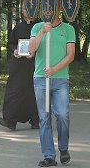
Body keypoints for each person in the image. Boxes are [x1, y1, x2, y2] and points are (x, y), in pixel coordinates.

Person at [29, 14, 75, 167]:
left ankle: (63, 148)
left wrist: (54, 69)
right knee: (44, 117)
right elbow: (31, 51)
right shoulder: (37, 27)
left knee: (62, 115)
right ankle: (49, 156)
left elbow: (71, 55)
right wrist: (42, 31)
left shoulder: (68, 29)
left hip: (60, 79)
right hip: (41, 79)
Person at [0, 6, 39, 131]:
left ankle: (36, 120)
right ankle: (10, 120)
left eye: (29, 10)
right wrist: (15, 50)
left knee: (33, 92)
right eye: (24, 10)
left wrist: (34, 53)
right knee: (14, 91)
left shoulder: (39, 27)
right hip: (19, 65)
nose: (26, 12)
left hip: (35, 64)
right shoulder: (18, 27)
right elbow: (11, 43)